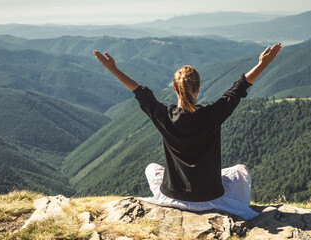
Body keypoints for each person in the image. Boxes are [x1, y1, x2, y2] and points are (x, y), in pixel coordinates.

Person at [93, 43, 281, 220]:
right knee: (242, 170)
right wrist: (262, 64)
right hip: (210, 195)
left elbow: (141, 92)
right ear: (198, 88)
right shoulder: (212, 115)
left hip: (173, 195)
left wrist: (113, 69)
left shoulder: (164, 116)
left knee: (151, 168)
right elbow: (238, 89)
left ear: (174, 88)